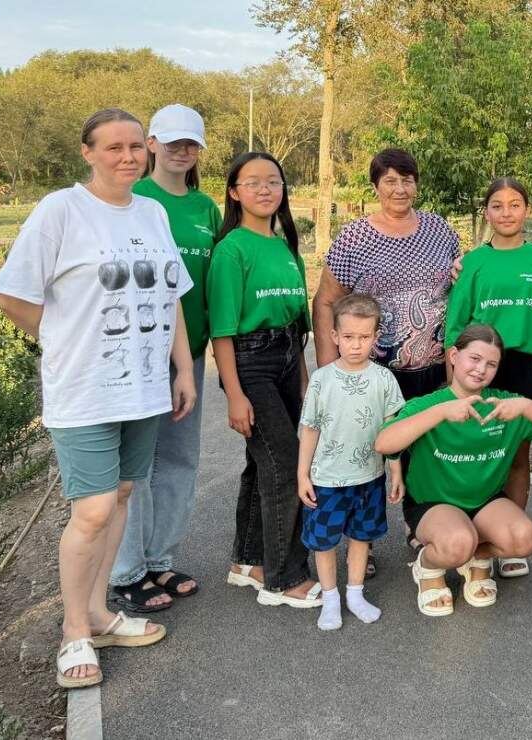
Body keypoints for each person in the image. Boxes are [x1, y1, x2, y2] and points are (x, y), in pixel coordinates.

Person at [0, 108, 196, 688]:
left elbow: (171, 297)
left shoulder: (152, 212)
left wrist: (183, 368)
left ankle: (102, 614)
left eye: (135, 147)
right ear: (88, 153)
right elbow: (11, 294)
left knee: (123, 494)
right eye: (113, 147)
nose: (128, 157)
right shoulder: (62, 210)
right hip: (85, 391)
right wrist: (60, 341)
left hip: (144, 389)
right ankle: (74, 630)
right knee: (94, 510)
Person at [312, 147, 459, 576]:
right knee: (367, 452)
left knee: (425, 453)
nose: (399, 188)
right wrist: (329, 370)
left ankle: (420, 526)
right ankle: (364, 541)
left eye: (407, 179)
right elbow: (326, 301)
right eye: (390, 180)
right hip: (374, 371)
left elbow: (459, 281)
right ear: (375, 186)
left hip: (432, 367)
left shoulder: (439, 229)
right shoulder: (354, 238)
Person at [375, 325, 532, 616]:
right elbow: (383, 443)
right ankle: (428, 567)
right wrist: (442, 412)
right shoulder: (430, 405)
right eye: (474, 359)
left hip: (485, 502)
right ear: (454, 356)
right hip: (433, 504)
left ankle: (475, 558)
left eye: (491, 364)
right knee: (456, 542)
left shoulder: (503, 405)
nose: (481, 369)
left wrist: (525, 405)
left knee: (524, 539)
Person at [110, 103, 221, 611]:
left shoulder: (205, 209)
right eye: (172, 141)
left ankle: (159, 558)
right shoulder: (134, 200)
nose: (182, 150)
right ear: (152, 144)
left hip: (187, 354)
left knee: (179, 459)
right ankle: (127, 570)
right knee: (136, 464)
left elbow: (207, 285)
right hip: (137, 354)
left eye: (191, 143)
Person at [208, 152, 320, 608]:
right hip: (250, 362)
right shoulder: (231, 249)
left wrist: (304, 378)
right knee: (286, 463)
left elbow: (299, 323)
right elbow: (222, 331)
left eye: (273, 181)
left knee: (262, 464)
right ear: (234, 192)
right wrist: (234, 394)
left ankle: (248, 561)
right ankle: (284, 576)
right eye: (252, 182)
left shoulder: (285, 246)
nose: (264, 189)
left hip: (288, 357)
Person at [445, 177, 532, 577]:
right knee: (476, 451)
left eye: (515, 204)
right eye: (497, 205)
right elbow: (456, 323)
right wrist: (454, 382)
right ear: (486, 212)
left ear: (527, 210)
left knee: (516, 454)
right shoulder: (474, 262)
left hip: (527, 366)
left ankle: (510, 542)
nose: (507, 213)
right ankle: (469, 536)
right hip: (480, 366)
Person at [297, 294, 406, 631]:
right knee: (325, 542)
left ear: (376, 337)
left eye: (363, 337)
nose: (356, 345)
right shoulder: (322, 380)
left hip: (369, 477)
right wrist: (302, 474)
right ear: (334, 336)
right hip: (327, 479)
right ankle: (330, 598)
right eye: (348, 337)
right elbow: (310, 428)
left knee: (361, 537)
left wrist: (396, 471)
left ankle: (355, 594)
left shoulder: (384, 379)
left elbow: (392, 429)